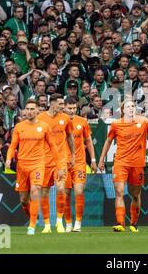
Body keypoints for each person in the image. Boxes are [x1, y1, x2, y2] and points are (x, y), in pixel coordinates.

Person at [98, 99, 148, 232]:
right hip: (120, 162)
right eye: (128, 106)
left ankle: (134, 223)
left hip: (137, 164)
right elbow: (108, 141)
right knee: (119, 191)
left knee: (135, 194)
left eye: (133, 106)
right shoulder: (116, 124)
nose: (131, 108)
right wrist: (101, 159)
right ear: (123, 110)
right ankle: (120, 223)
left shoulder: (143, 122)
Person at [6, 99, 61, 236]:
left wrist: (59, 164)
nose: (29, 112)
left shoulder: (44, 127)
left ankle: (31, 226)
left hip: (38, 164)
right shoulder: (19, 127)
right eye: (27, 109)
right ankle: (33, 216)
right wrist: (8, 158)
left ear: (37, 111)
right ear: (24, 111)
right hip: (22, 166)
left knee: (35, 191)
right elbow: (13, 145)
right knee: (24, 200)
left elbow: (53, 146)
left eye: (32, 109)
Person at [36, 93, 75, 233]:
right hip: (45, 160)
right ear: (52, 103)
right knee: (44, 192)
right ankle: (47, 224)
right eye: (60, 104)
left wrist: (73, 155)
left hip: (61, 159)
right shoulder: (40, 118)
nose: (62, 107)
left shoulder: (65, 118)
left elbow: (70, 137)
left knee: (61, 188)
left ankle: (59, 222)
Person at [63, 97, 97, 233]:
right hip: (64, 163)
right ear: (64, 107)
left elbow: (88, 141)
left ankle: (78, 223)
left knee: (78, 191)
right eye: (69, 108)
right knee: (65, 194)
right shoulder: (60, 122)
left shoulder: (82, 122)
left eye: (74, 108)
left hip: (79, 162)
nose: (72, 111)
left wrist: (93, 160)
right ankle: (68, 223)